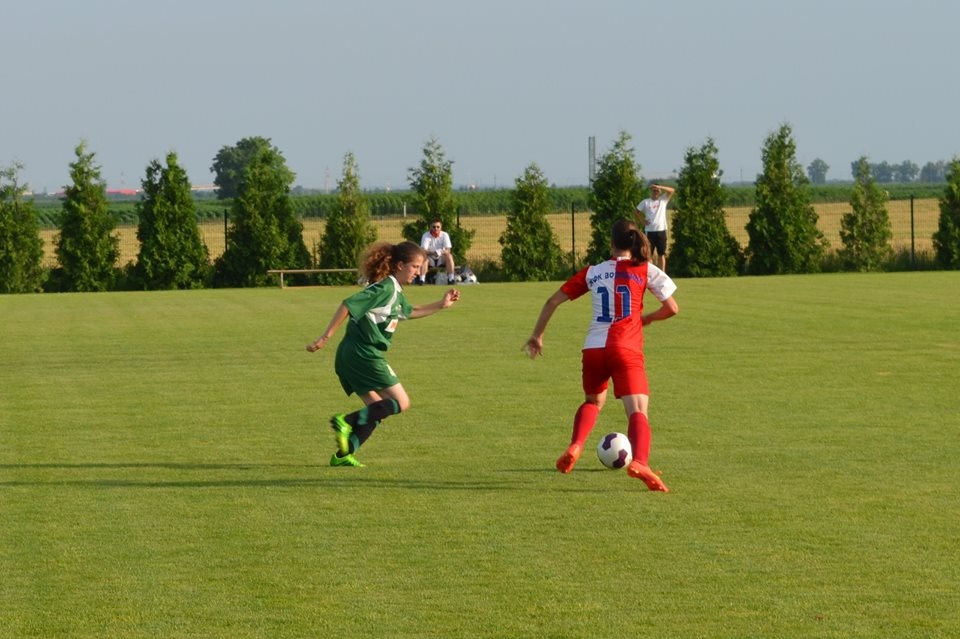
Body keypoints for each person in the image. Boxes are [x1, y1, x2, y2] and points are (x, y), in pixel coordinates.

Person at [524, 219, 678, 492]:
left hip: (594, 348)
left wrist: (537, 335)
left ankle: (576, 445)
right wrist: (647, 319)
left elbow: (552, 301)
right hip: (625, 347)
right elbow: (672, 308)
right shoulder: (646, 269)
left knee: (593, 401)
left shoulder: (593, 272)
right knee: (637, 410)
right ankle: (640, 462)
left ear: (611, 243)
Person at [307, 240, 460, 467]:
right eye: (414, 267)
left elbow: (410, 311)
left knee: (377, 409)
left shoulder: (395, 291)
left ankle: (344, 454)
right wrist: (325, 337)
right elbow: (348, 304)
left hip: (352, 354)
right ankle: (347, 420)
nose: (417, 272)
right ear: (400, 265)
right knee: (401, 402)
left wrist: (441, 304)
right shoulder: (385, 288)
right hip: (363, 353)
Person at [635, 183, 675, 272]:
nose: (656, 192)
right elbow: (636, 211)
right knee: (649, 254)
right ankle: (651, 273)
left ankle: (662, 273)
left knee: (661, 254)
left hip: (661, 230)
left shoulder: (663, 200)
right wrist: (642, 221)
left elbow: (672, 190)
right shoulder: (646, 202)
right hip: (649, 231)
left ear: (660, 191)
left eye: (657, 190)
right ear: (651, 191)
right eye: (654, 190)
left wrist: (659, 187)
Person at [416, 218, 456, 285]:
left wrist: (440, 252)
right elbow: (423, 250)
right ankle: (422, 280)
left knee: (449, 256)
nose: (436, 228)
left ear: (441, 227)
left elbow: (448, 250)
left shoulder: (445, 235)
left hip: (441, 258)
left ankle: (451, 279)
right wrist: (433, 253)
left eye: (438, 227)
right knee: (424, 258)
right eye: (434, 227)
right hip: (430, 258)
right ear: (430, 227)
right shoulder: (425, 235)